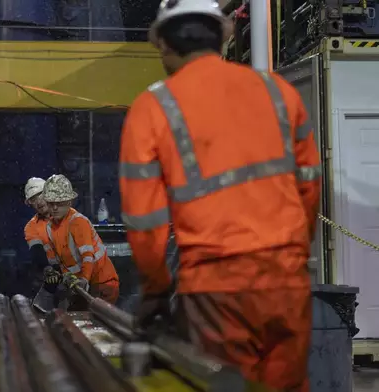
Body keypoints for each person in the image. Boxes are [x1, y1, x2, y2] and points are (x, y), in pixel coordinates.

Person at [118, 1, 321, 391]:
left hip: (216, 287)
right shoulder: (278, 92)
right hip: (285, 280)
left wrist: (156, 291)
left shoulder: (153, 108)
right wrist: (290, 253)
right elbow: (309, 185)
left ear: (163, 44)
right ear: (225, 35)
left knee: (228, 384)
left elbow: (145, 221)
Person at [42, 174, 120, 306]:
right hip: (84, 285)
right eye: (51, 203)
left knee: (93, 323)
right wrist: (52, 271)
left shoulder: (77, 222)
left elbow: (87, 256)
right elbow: (57, 260)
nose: (54, 208)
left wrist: (83, 279)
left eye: (59, 203)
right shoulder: (50, 227)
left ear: (69, 202)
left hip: (103, 284)